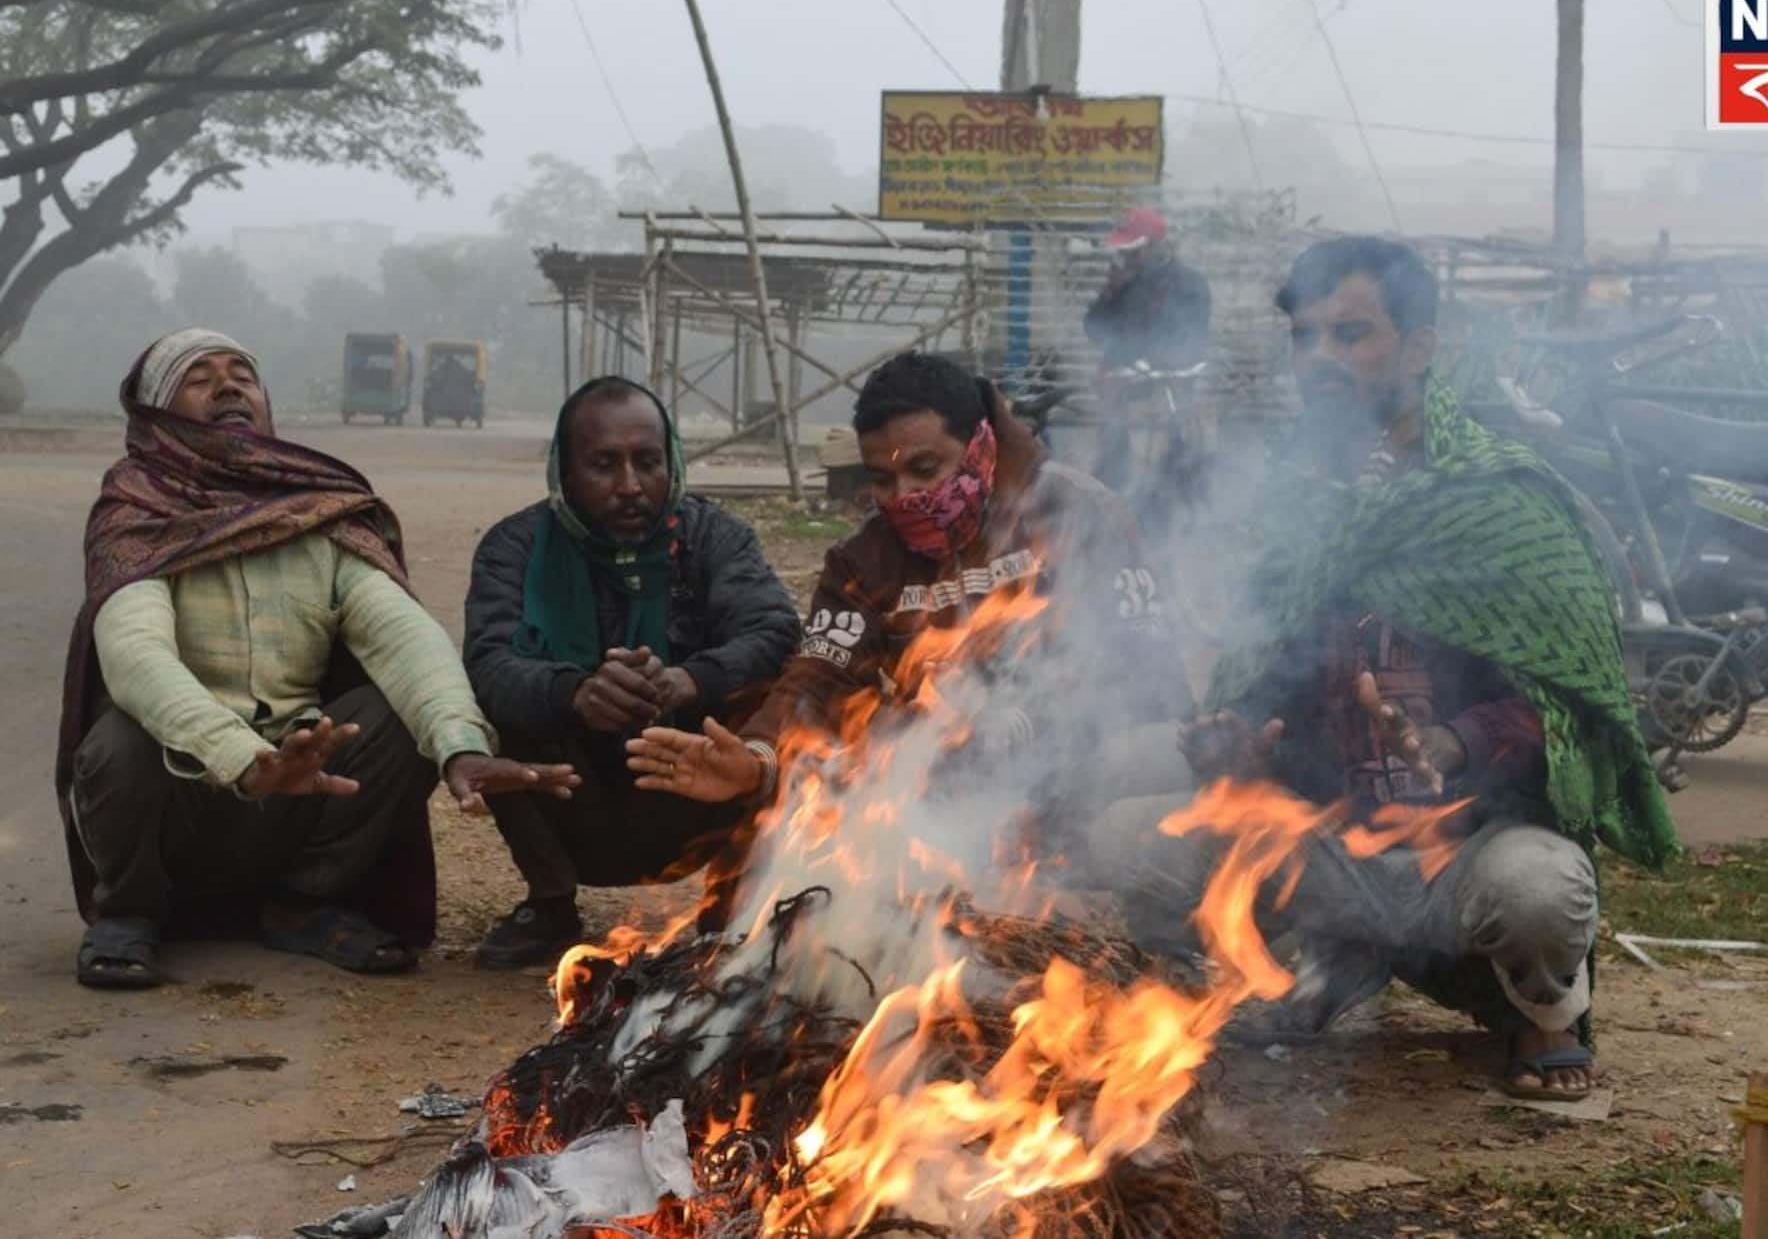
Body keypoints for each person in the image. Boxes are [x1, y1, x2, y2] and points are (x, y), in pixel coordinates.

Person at [1082, 238, 1680, 1101]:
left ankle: (1538, 1011)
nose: (1319, 359)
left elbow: (1567, 706)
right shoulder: (1289, 501)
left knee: (1541, 889)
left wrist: (1455, 739)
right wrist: (1242, 735)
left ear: (1419, 348)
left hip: (1468, 854)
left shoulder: (1499, 497)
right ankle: (1320, 964)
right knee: (1140, 847)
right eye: (1305, 337)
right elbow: (1262, 663)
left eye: (1351, 334)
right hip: (1326, 845)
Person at [55, 329, 578, 991]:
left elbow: (403, 636)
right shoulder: (136, 512)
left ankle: (304, 902)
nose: (229, 385)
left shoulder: (319, 512)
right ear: (158, 415)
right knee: (118, 740)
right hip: (182, 785)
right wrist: (242, 757)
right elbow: (135, 655)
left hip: (303, 786)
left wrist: (459, 744)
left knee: (394, 714)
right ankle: (129, 913)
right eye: (200, 376)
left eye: (242, 371)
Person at [623, 351, 1192, 825]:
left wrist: (1028, 726)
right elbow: (814, 681)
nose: (904, 496)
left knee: (1165, 765)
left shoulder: (1078, 511)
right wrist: (756, 760)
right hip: (941, 796)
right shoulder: (862, 561)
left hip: (1082, 776)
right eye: (882, 478)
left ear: (982, 447)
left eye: (926, 469)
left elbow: (1147, 677)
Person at [461, 376, 801, 968]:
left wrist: (688, 680)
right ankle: (549, 902)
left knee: (785, 700)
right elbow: (490, 662)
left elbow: (774, 631)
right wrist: (575, 692)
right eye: (603, 465)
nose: (629, 486)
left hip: (693, 784)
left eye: (647, 462)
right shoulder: (512, 547)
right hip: (574, 795)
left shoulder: (716, 537)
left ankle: (733, 897)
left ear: (670, 462)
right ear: (563, 472)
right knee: (482, 712)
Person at [1082, 206, 1213, 491]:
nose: (1127, 257)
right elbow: (1094, 329)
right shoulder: (1126, 282)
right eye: (1125, 251)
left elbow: (1191, 340)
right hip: (1124, 395)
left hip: (1169, 393)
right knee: (1111, 462)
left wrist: (1151, 361)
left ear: (1156, 247)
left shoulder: (1189, 284)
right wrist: (1109, 293)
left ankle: (1186, 495)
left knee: (1181, 460)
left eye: (1134, 250)